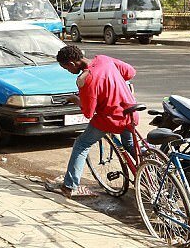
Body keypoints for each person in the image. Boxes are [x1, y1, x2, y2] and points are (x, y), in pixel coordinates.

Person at [50, 44, 137, 198]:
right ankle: (151, 172)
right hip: (130, 112)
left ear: (72, 63)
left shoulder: (85, 79)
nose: (68, 72)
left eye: (66, 69)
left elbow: (88, 112)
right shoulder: (104, 59)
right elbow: (130, 72)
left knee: (81, 144)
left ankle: (69, 186)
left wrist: (75, 99)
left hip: (110, 119)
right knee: (131, 146)